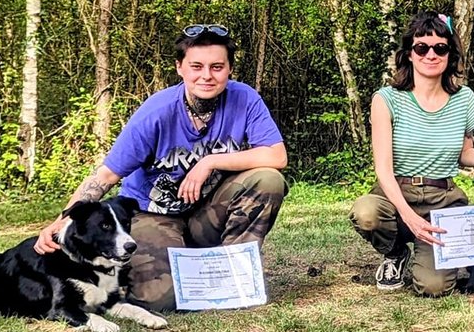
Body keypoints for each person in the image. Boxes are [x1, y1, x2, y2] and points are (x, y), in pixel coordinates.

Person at [36, 24, 289, 312]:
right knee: (161, 300)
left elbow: (276, 156)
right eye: (196, 66)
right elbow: (105, 177)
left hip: (206, 214)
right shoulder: (156, 112)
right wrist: (61, 223)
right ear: (179, 68)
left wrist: (210, 161)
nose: (206, 75)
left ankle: (234, 278)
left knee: (268, 180)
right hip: (153, 216)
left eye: (217, 67)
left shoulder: (244, 99)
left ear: (229, 69)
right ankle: (173, 261)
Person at [350, 11, 474, 297]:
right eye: (421, 47)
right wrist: (408, 215)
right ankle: (396, 253)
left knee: (434, 288)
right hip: (396, 191)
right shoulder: (386, 99)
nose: (431, 55)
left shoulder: (465, 99)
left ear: (450, 54)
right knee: (366, 212)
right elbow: (384, 170)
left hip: (443, 199)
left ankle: (431, 260)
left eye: (440, 48)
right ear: (409, 54)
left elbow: (466, 155)